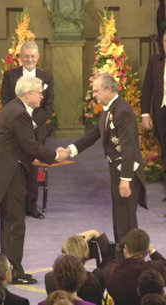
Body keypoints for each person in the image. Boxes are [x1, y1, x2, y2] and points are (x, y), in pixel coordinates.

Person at [0, 76, 67, 284]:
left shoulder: (14, 109)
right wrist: (56, 156)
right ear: (27, 93)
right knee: (14, 222)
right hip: (10, 173)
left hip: (7, 170)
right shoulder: (19, 114)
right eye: (39, 92)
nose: (42, 96)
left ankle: (6, 269)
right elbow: (31, 146)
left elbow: (24, 146)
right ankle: (15, 271)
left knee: (9, 222)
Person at [60, 72, 147, 242]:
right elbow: (93, 134)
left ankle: (130, 262)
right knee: (120, 219)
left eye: (96, 91)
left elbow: (129, 149)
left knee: (127, 222)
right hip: (118, 171)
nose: (94, 95)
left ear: (108, 89)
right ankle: (122, 258)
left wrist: (125, 179)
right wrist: (69, 150)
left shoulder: (123, 111)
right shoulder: (109, 109)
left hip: (127, 172)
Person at [1, 40, 54, 219]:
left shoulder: (47, 77)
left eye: (33, 56)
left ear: (38, 57)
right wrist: (20, 122)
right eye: (26, 56)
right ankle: (14, 207)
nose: (29, 59)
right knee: (16, 166)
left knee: (32, 167)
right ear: (20, 57)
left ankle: (31, 207)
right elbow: (6, 102)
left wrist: (31, 123)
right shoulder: (9, 76)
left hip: (37, 129)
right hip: (15, 129)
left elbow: (48, 107)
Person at [79, 228, 166, 305]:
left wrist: (97, 234)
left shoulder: (110, 271)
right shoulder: (156, 269)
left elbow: (108, 258)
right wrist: (153, 251)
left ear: (126, 247)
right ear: (146, 251)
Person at [45, 234, 106, 305]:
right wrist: (97, 234)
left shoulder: (49, 278)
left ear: (64, 254)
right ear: (87, 256)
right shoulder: (96, 278)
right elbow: (110, 261)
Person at [141, 31, 166, 195]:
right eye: (165, 41)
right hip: (161, 113)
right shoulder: (154, 61)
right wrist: (145, 114)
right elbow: (147, 89)